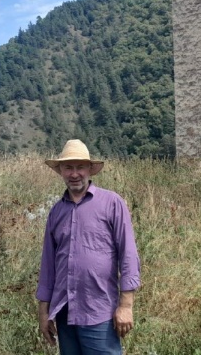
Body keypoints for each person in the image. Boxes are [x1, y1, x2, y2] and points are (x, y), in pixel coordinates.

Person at [36, 139, 140, 354]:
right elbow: (48, 265)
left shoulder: (112, 203)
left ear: (89, 169)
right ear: (61, 172)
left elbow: (128, 254)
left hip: (99, 310)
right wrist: (43, 312)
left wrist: (126, 306)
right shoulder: (56, 212)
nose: (75, 174)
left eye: (80, 167)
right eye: (68, 167)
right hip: (64, 311)